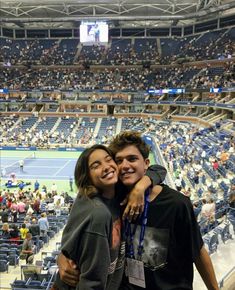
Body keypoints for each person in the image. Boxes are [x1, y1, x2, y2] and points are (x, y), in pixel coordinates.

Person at [59, 132, 218, 290]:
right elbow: (77, 229)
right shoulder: (115, 199)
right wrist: (62, 256)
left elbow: (197, 251)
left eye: (132, 159)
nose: (125, 165)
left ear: (146, 163)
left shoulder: (176, 204)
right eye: (119, 160)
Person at [55, 144, 166, 290]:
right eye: (96, 165)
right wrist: (63, 255)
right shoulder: (98, 213)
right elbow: (91, 284)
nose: (106, 166)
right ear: (87, 176)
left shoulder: (116, 192)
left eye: (109, 160)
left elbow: (159, 170)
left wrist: (140, 187)